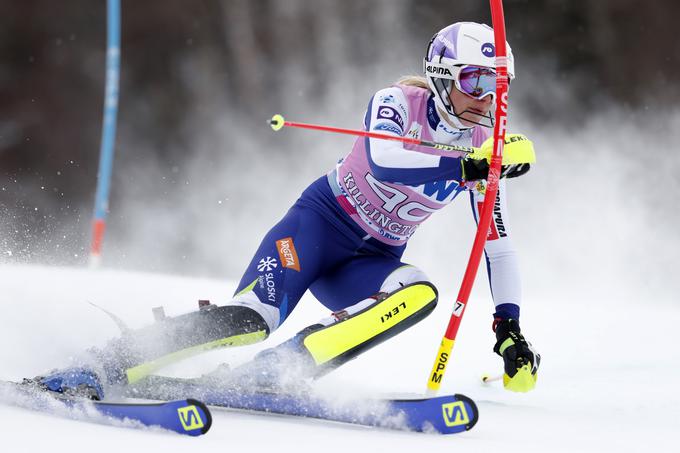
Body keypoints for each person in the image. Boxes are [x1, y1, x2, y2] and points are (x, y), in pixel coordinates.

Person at [32, 21, 540, 399]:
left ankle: (278, 373)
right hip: (318, 227)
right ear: (442, 76)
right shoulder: (398, 103)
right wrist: (467, 169)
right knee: (251, 319)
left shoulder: (483, 145)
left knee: (419, 293)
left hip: (370, 262)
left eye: (499, 83)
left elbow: (498, 244)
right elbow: (386, 160)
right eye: (476, 81)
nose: (488, 97)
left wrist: (509, 328)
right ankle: (102, 363)